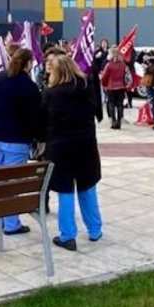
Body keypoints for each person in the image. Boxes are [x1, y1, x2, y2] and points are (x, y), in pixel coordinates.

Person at [39, 49, 103, 251]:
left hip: (60, 148)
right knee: (87, 186)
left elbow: (41, 123)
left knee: (65, 191)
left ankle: (68, 235)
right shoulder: (86, 89)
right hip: (86, 146)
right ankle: (95, 229)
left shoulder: (51, 93)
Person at [0, 46, 41, 235]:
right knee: (13, 183)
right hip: (16, 139)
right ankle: (11, 223)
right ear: (28, 64)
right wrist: (38, 138)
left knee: (0, 178)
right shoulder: (29, 86)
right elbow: (35, 116)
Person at [99, 46, 132, 129]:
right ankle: (119, 121)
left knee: (111, 104)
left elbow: (104, 77)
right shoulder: (123, 65)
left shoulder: (109, 65)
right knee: (120, 105)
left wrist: (104, 85)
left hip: (111, 87)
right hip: (121, 87)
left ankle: (113, 121)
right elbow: (128, 76)